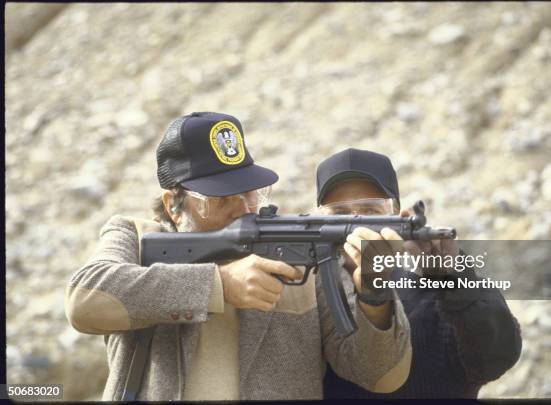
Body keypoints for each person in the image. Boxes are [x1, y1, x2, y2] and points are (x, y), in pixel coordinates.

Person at [64, 113, 412, 401]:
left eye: (250, 193)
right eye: (221, 199)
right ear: (173, 205)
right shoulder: (135, 237)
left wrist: (374, 296)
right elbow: (84, 300)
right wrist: (221, 286)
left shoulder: (299, 257)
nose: (244, 209)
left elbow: (380, 375)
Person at [318, 148, 522, 399]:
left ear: (397, 216)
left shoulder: (431, 298)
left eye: (371, 211)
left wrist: (454, 278)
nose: (354, 225)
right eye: (339, 214)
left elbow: (497, 357)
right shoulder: (304, 301)